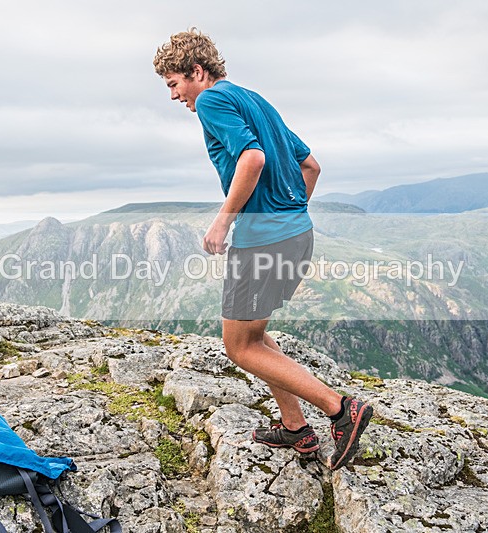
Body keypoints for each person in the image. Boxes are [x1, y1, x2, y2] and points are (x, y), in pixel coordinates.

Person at [153, 28, 373, 470]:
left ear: (197, 71)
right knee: (254, 335)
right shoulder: (254, 100)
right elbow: (310, 165)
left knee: (238, 347)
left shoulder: (213, 101)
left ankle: (340, 410)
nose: (174, 96)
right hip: (297, 233)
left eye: (174, 84)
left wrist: (223, 221)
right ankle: (295, 428)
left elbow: (252, 158)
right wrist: (288, 214)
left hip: (263, 240)